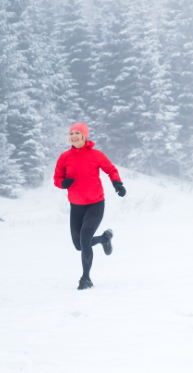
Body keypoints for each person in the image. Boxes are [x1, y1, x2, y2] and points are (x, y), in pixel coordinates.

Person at [53, 123, 126, 290]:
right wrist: (63, 183)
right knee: (78, 245)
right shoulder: (64, 157)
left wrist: (117, 184)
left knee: (85, 239)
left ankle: (86, 279)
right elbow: (57, 179)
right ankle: (104, 238)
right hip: (76, 206)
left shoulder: (96, 155)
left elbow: (111, 169)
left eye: (77, 133)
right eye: (71, 133)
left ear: (84, 136)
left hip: (95, 204)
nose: (74, 135)